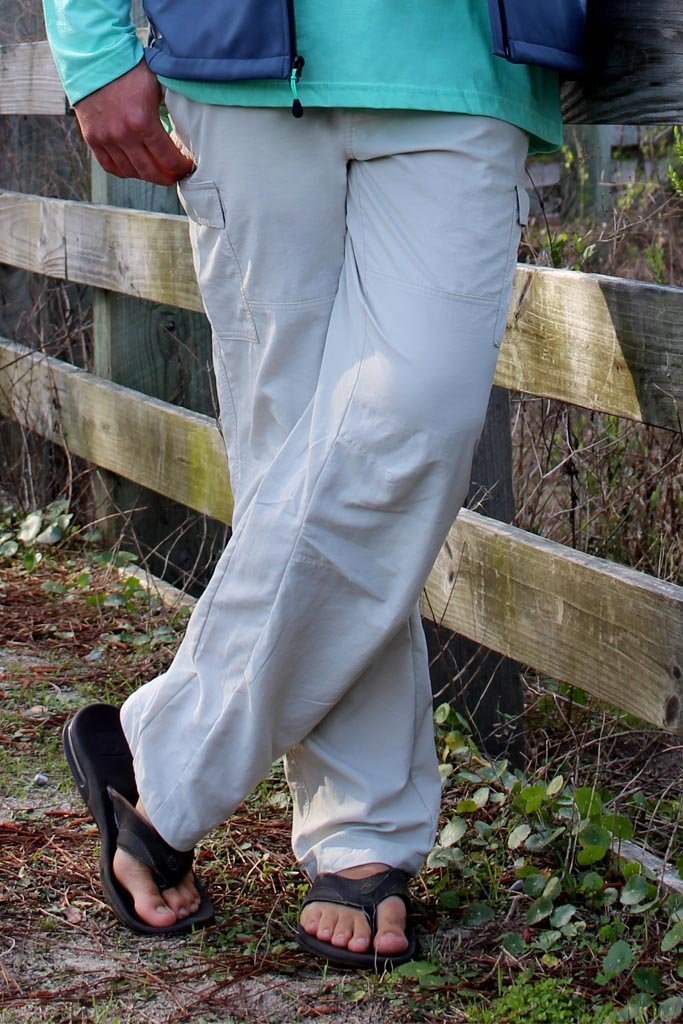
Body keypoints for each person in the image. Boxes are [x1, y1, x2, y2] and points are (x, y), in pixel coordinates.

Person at [44, 0, 563, 970]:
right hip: (239, 63)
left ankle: (158, 761)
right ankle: (362, 828)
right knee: (297, 466)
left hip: (463, 59)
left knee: (411, 419)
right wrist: (88, 40)